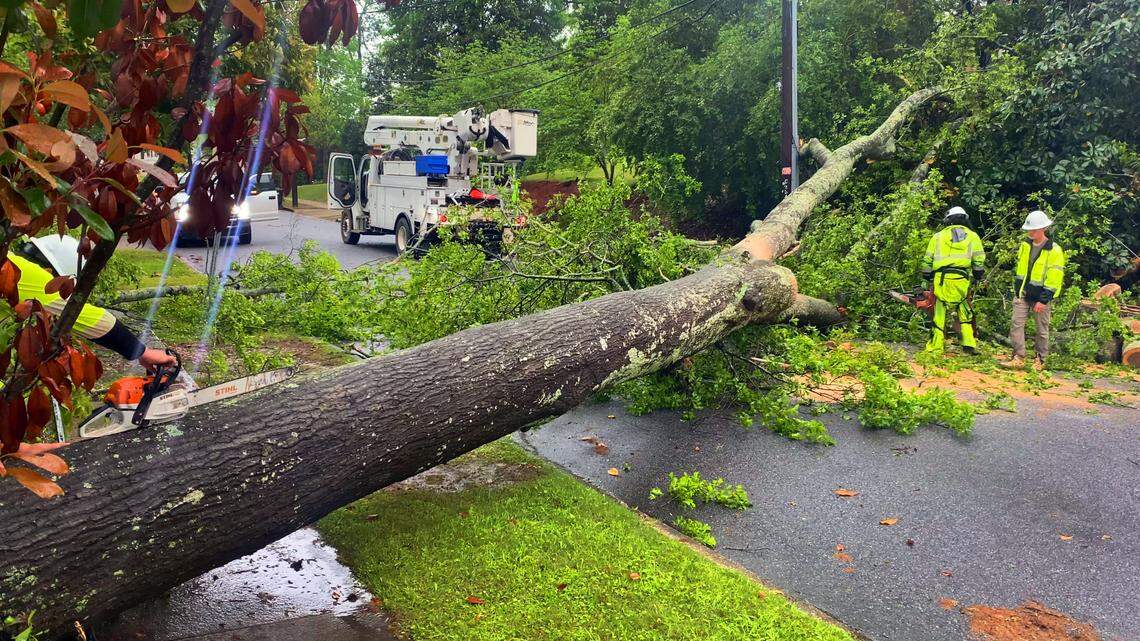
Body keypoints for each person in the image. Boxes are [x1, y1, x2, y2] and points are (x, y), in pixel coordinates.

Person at [9, 235, 177, 371]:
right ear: (51, 273)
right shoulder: (27, 274)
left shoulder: (10, 262)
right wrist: (142, 352)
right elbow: (91, 319)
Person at [1001, 210, 1065, 370]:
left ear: (1043, 229)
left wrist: (1043, 300)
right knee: (1016, 324)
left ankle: (1040, 359)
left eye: (1034, 229)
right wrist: (1017, 291)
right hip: (1023, 293)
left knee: (1042, 330)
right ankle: (1018, 357)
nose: (1030, 232)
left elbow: (1054, 277)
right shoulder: (1025, 245)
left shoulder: (1054, 250)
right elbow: (1021, 270)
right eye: (1029, 229)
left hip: (1040, 297)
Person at [921, 206, 986, 355]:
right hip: (961, 279)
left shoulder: (937, 236)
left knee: (939, 311)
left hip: (941, 279)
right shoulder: (973, 236)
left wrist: (927, 277)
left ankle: (935, 347)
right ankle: (969, 343)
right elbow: (978, 261)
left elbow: (927, 260)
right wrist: (977, 277)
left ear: (947, 219)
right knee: (964, 310)